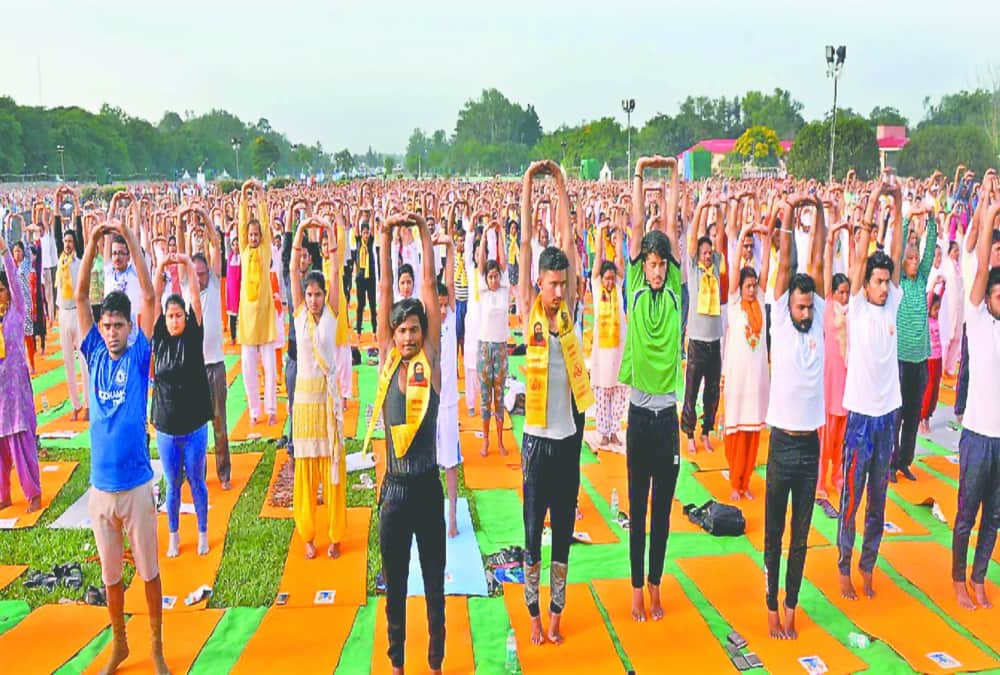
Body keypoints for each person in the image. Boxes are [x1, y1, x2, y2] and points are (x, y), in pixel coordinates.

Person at [75, 219, 167, 675]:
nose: (112, 332)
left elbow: (148, 296)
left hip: (135, 486)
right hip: (101, 489)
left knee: (149, 572)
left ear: (131, 328)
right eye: (107, 325)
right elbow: (79, 298)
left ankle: (156, 646)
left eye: (119, 326)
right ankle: (120, 643)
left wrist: (129, 237)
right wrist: (92, 244)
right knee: (111, 577)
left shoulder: (137, 354)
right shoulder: (93, 352)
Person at [364, 210, 444, 675]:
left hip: (428, 488)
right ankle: (397, 664)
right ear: (391, 336)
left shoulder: (430, 360)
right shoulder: (387, 362)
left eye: (415, 329)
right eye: (402, 331)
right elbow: (382, 291)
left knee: (434, 586)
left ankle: (435, 664)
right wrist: (384, 235)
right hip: (393, 492)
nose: (409, 336)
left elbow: (428, 287)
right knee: (394, 586)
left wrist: (424, 233)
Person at [517, 160, 592, 644]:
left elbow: (566, 238)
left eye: (563, 283)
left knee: (562, 532)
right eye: (551, 284)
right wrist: (529, 184)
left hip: (567, 441)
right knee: (532, 536)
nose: (558, 290)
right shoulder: (529, 310)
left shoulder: (571, 312)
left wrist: (561, 184)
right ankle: (533, 616)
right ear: (538, 284)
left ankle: (558, 613)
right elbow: (528, 243)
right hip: (535, 443)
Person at [619, 156, 684, 622]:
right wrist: (641, 173)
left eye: (662, 265)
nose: (658, 271)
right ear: (643, 266)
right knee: (638, 511)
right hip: (640, 419)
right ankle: (637, 589)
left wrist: (675, 176)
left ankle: (657, 585)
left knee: (662, 514)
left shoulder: (676, 289)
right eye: (652, 264)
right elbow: (639, 224)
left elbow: (672, 225)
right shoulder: (636, 288)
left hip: (668, 421)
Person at [762, 194, 826, 639]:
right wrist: (788, 214)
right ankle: (770, 603)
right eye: (799, 306)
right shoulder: (781, 321)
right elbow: (787, 263)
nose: (804, 312)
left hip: (810, 447)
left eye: (808, 307)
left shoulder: (817, 319)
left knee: (800, 537)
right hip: (782, 445)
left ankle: (791, 604)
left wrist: (817, 211)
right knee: (774, 535)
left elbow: (816, 259)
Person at [837, 175, 905, 601]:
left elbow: (893, 248)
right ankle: (844, 565)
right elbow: (863, 252)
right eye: (876, 282)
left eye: (885, 282)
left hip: (888, 414)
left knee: (878, 500)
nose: (882, 287)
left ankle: (868, 565)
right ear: (865, 284)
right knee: (852, 496)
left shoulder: (893, 301)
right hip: (861, 415)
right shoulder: (859, 307)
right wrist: (875, 198)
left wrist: (896, 201)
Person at [951, 199, 1000, 610]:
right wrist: (989, 213)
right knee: (966, 514)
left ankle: (979, 577)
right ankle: (958, 580)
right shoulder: (979, 320)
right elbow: (983, 267)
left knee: (994, 516)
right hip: (978, 436)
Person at [290, 217, 347, 560]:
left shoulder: (331, 315)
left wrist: (329, 228)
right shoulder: (299, 316)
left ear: (325, 296)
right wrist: (300, 230)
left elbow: (336, 270)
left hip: (328, 404)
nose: (312, 299)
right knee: (306, 475)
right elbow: (292, 270)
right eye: (309, 294)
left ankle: (336, 535)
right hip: (304, 406)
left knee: (333, 472)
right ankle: (308, 535)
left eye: (317, 294)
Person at [151, 252, 212, 558]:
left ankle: (202, 532)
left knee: (197, 480)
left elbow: (195, 299)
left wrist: (187, 264)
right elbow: (154, 299)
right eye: (170, 316)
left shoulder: (193, 335)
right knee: (172, 484)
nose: (174, 320)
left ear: (185, 317)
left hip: (194, 426)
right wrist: (162, 267)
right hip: (166, 426)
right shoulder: (160, 338)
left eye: (179, 315)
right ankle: (174, 535)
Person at [723, 209, 771, 501]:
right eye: (748, 286)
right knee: (737, 432)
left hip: (758, 381)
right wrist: (742, 235)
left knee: (753, 434)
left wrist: (765, 237)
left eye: (754, 286)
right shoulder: (733, 304)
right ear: (739, 288)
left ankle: (746, 481)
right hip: (738, 381)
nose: (752, 290)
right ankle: (734, 482)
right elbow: (734, 262)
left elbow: (766, 267)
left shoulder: (761, 301)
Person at [182, 210, 231, 489]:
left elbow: (216, 244)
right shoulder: (187, 287)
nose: (200, 278)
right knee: (195, 425)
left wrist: (204, 216)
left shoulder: (213, 283)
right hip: (194, 368)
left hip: (216, 365)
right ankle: (197, 473)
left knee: (219, 423)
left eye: (203, 273)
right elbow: (181, 253)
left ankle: (224, 473)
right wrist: (182, 223)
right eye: (196, 274)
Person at [891, 202, 938, 481]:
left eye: (915, 258)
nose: (913, 261)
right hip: (900, 359)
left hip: (920, 359)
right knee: (896, 415)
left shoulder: (921, 280)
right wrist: (908, 219)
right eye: (909, 258)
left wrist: (931, 218)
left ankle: (904, 462)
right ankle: (890, 463)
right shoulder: (899, 284)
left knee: (912, 415)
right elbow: (897, 249)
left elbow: (930, 250)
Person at [0, 232, 42, 513]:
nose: (0, 294)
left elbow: (14, 279)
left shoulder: (16, 310)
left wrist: (4, 250)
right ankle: (3, 494)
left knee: (21, 440)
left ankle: (33, 492)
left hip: (16, 390)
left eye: (2, 289)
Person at [682, 196, 725, 454]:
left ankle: (706, 431)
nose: (708, 256)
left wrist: (717, 208)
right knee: (691, 389)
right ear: (698, 256)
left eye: (710, 253)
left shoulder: (716, 267)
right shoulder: (694, 270)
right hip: (697, 341)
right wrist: (700, 208)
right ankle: (689, 433)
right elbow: (691, 239)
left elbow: (719, 234)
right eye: (704, 253)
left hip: (714, 340)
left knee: (712, 392)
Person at [236, 179, 278, 427]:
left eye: (256, 235)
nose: (252, 237)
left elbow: (264, 223)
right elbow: (242, 224)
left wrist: (260, 198)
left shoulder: (264, 250)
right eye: (250, 235)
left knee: (270, 370)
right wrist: (244, 195)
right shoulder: (243, 250)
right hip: (247, 322)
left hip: (265, 319)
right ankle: (254, 411)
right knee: (248, 370)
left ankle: (271, 409)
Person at [589, 215, 627, 450]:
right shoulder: (596, 288)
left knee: (619, 390)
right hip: (602, 350)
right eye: (607, 279)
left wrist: (619, 233)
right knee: (603, 391)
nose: (611, 282)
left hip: (619, 347)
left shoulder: (619, 287)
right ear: (601, 279)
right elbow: (597, 260)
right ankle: (603, 432)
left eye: (613, 279)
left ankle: (614, 431)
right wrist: (601, 233)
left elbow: (620, 259)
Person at [435, 231, 462, 538]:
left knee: (451, 463)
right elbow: (428, 283)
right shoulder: (428, 321)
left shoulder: (452, 318)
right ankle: (433, 514)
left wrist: (450, 246)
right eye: (439, 305)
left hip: (450, 404)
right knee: (430, 463)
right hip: (431, 403)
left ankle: (452, 514)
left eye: (445, 305)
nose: (442, 309)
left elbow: (450, 282)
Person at [476, 220, 510, 456]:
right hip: (484, 348)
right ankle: (486, 441)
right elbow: (480, 262)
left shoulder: (504, 290)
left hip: (501, 348)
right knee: (485, 396)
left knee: (499, 396)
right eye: (490, 277)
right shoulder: (484, 291)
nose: (494, 280)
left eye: (496, 276)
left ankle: (499, 440)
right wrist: (485, 234)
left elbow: (504, 261)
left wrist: (501, 234)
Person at [55, 227, 89, 421]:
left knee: (83, 360)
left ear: (75, 243)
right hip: (63, 313)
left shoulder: (79, 263)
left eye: (70, 241)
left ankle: (88, 405)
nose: (67, 244)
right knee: (68, 362)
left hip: (77, 312)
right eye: (65, 241)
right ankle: (75, 406)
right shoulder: (60, 263)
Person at [919, 285, 944, 433]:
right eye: (935, 309)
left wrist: (944, 286)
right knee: (928, 388)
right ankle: (922, 417)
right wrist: (934, 284)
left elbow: (939, 298)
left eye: (939, 309)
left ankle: (928, 416)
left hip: (938, 358)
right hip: (929, 359)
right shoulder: (926, 320)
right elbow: (928, 301)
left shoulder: (936, 319)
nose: (937, 312)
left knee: (935, 389)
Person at [355, 220, 377, 335]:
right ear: (361, 233)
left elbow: (372, 227)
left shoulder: (371, 242)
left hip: (371, 278)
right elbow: (355, 226)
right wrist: (358, 213)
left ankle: (374, 331)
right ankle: (359, 331)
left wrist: (372, 214)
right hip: (360, 278)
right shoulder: (358, 242)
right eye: (364, 233)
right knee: (360, 305)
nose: (366, 235)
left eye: (367, 233)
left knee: (373, 305)